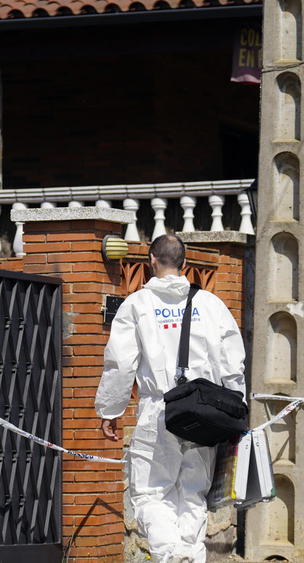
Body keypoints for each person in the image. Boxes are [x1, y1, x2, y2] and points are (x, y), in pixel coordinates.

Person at [94, 234, 246, 563]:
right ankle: (188, 556)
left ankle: (169, 554)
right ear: (185, 266)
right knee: (193, 495)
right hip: (204, 415)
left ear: (151, 262)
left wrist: (110, 410)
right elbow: (233, 364)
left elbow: (121, 364)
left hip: (157, 413)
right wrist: (235, 409)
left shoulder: (135, 305)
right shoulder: (210, 304)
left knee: (150, 494)